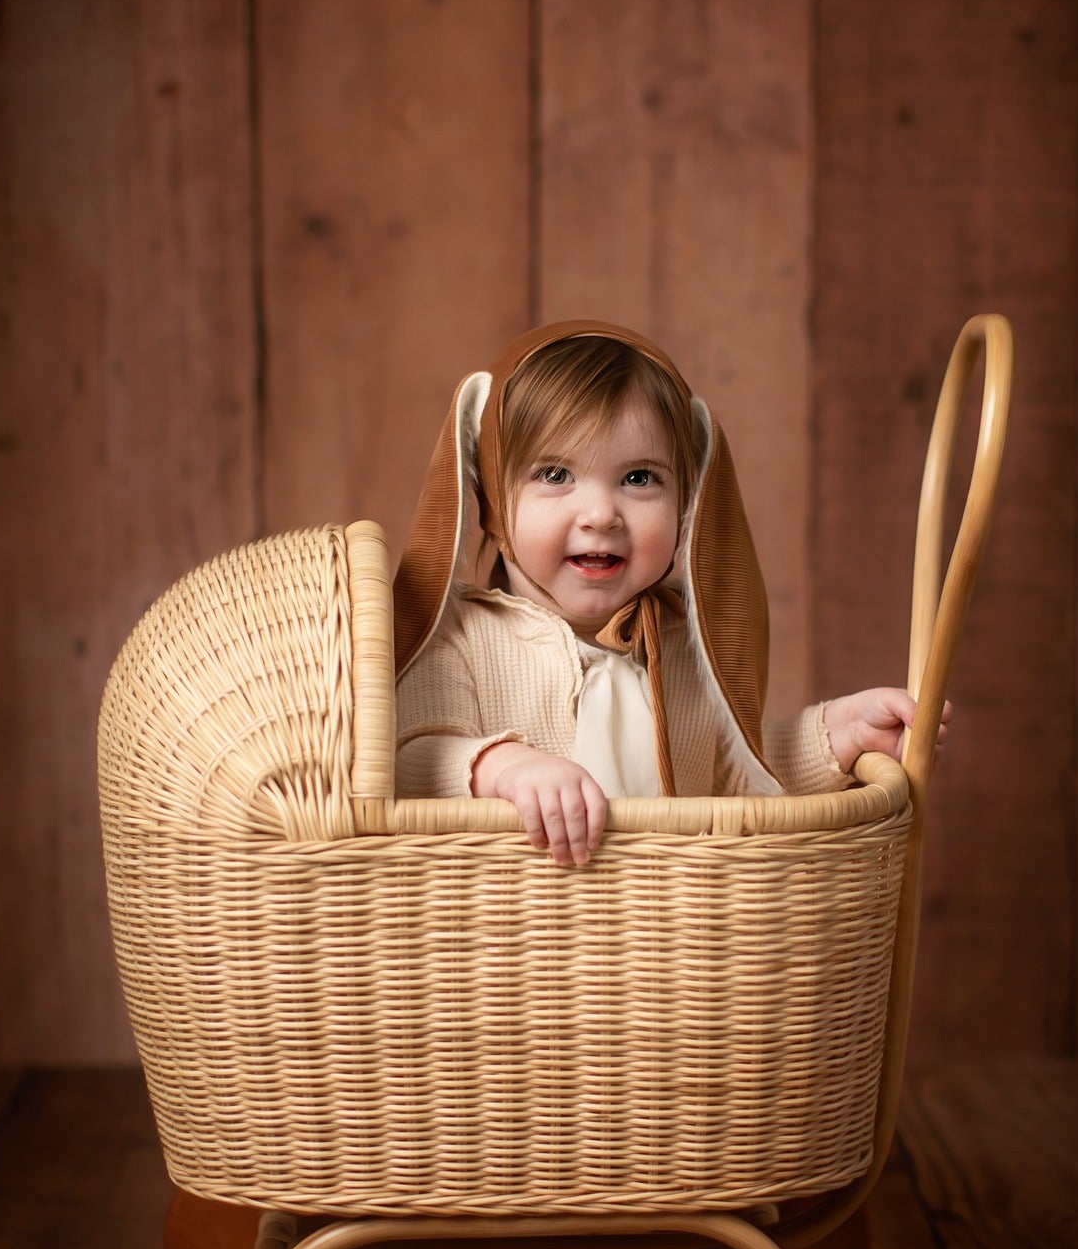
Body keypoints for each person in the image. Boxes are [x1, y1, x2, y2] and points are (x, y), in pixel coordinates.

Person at [393, 321, 946, 866]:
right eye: (555, 474)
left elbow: (736, 779)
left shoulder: (683, 646)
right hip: (516, 920)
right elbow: (410, 760)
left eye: (639, 478)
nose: (600, 514)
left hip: (664, 922)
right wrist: (505, 767)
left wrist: (837, 735)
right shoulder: (460, 639)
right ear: (492, 496)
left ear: (687, 503)